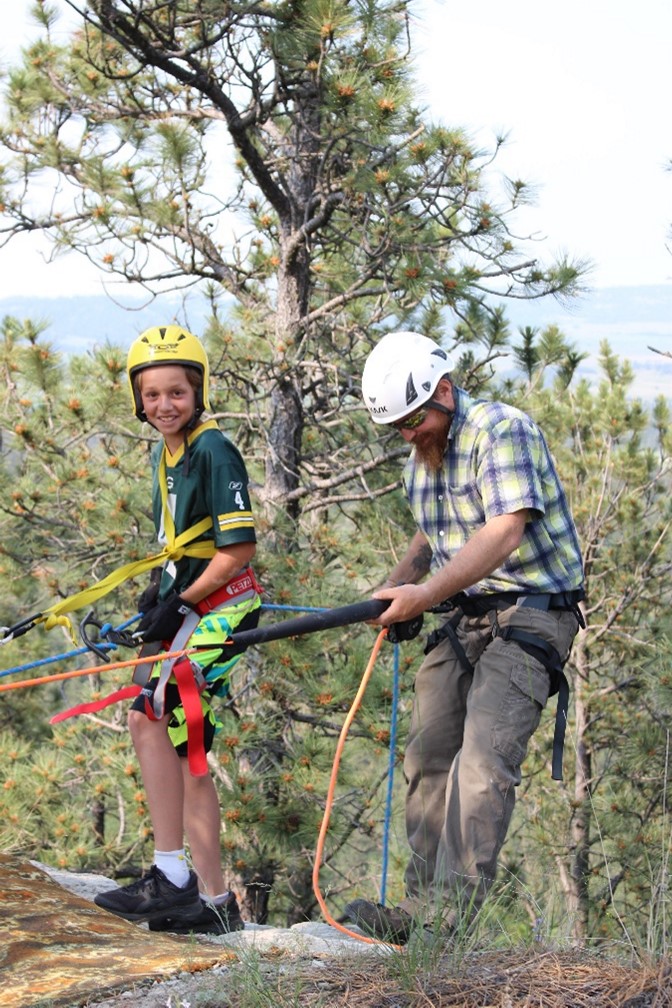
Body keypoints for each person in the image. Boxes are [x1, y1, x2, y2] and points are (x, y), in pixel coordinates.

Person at [344, 331, 584, 943]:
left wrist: (424, 597)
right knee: (428, 757)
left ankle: (447, 926)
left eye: (415, 419)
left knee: (481, 766)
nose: (407, 434)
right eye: (397, 425)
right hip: (467, 617)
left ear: (445, 390)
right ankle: (421, 909)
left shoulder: (502, 431)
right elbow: (435, 536)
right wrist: (398, 586)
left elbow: (503, 530)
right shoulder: (421, 458)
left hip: (532, 613)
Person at [94, 324, 261, 935]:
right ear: (137, 399)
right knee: (160, 727)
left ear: (199, 393)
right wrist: (162, 593)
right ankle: (206, 899)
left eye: (178, 394)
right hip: (191, 599)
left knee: (161, 721)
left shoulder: (213, 451)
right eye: (153, 395)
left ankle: (181, 882)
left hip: (224, 603)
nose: (165, 405)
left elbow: (238, 548)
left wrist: (180, 601)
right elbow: (185, 541)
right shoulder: (166, 451)